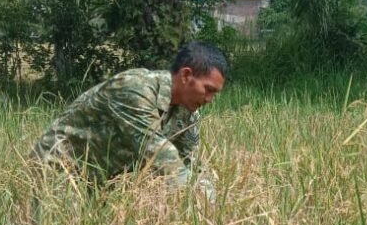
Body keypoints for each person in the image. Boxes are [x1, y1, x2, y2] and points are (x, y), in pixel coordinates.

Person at [30, 41, 228, 201]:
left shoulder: (189, 114)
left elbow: (190, 163)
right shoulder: (135, 88)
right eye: (208, 90)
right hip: (61, 168)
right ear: (186, 75)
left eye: (215, 94)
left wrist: (211, 203)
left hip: (101, 179)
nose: (209, 100)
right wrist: (200, 201)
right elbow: (159, 155)